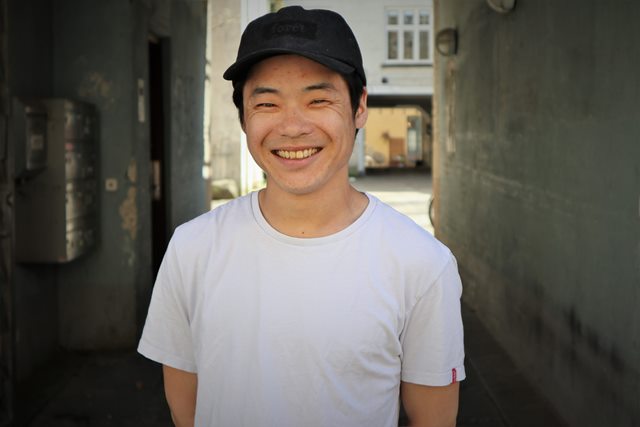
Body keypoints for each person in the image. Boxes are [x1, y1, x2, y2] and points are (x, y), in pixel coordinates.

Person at [138, 5, 465, 427]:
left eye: (318, 99)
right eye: (267, 103)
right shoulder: (192, 248)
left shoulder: (421, 263)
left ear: (359, 106)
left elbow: (433, 420)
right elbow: (187, 408)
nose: (292, 127)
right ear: (243, 117)